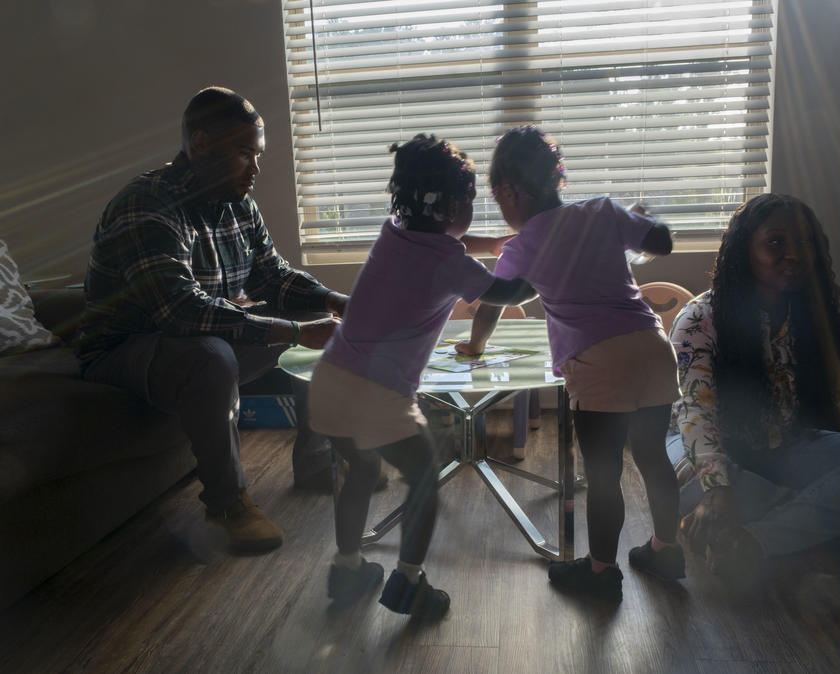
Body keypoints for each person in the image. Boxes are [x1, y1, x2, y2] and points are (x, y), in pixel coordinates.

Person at [76, 86, 347, 553]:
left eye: (257, 154)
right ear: (201, 143)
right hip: (125, 348)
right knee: (211, 356)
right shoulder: (145, 205)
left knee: (312, 317)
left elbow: (271, 275)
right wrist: (298, 332)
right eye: (245, 153)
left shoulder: (237, 200)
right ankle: (226, 505)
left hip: (195, 341)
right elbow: (181, 311)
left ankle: (317, 464)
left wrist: (335, 301)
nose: (256, 167)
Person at [309, 134, 535, 620]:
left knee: (363, 470)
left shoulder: (395, 229)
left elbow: (443, 239)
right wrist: (550, 259)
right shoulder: (447, 261)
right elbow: (510, 293)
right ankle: (409, 583)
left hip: (331, 380)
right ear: (453, 206)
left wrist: (491, 243)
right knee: (425, 480)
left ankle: (347, 568)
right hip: (378, 393)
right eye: (471, 203)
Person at [457, 126, 682, 603]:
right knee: (653, 458)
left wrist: (475, 344)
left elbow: (502, 299)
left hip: (599, 361)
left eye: (498, 199)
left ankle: (601, 574)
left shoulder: (524, 246)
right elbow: (661, 242)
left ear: (509, 192)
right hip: (652, 348)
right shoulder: (602, 210)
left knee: (603, 475)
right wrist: (639, 219)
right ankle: (665, 550)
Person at [667, 193, 840, 585]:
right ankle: (810, 524)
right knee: (699, 490)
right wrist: (716, 485)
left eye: (805, 243)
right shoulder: (701, 318)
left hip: (785, 444)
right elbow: (695, 413)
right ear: (743, 250)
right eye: (776, 242)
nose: (794, 254)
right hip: (702, 446)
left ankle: (751, 541)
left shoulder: (826, 320)